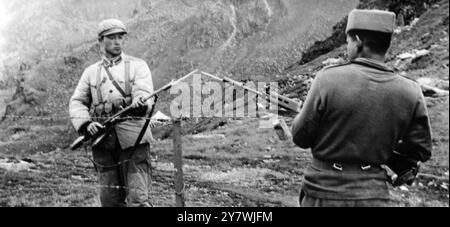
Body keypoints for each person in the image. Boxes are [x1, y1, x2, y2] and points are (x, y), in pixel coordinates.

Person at [291, 9, 432, 207]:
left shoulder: (327, 78)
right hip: (373, 196)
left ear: (357, 41)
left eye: (348, 42)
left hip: (323, 193)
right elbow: (421, 150)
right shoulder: (411, 91)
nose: (347, 47)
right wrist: (383, 145)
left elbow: (301, 137)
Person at [69, 19, 155, 207]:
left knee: (138, 199)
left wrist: (140, 102)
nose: (117, 42)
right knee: (109, 200)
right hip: (102, 142)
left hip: (134, 138)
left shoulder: (138, 66)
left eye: (120, 37)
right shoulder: (90, 72)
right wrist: (86, 124)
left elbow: (144, 91)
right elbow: (77, 102)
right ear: (101, 41)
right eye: (112, 38)